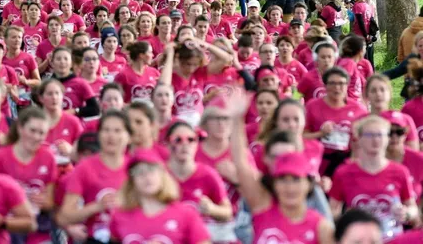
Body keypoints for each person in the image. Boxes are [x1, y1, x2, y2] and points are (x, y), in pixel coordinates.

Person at [227, 90, 335, 243]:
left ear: (307, 184)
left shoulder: (321, 227)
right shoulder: (261, 206)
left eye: (296, 179)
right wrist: (236, 119)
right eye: (283, 179)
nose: (290, 187)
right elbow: (241, 163)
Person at [329, 115, 418, 239]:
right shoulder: (343, 172)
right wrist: (347, 219)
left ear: (387, 139)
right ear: (359, 138)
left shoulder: (400, 171)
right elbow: (332, 211)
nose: (376, 140)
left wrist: (406, 213)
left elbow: (413, 207)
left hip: (393, 238)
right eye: (370, 135)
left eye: (380, 135)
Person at [58, 110, 131, 243]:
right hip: (95, 238)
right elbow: (65, 216)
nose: (111, 136)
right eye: (106, 130)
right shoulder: (85, 168)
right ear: (99, 134)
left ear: (129, 136)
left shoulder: (134, 168)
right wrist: (97, 207)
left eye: (117, 131)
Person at [109, 148, 211, 244]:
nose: (147, 176)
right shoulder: (119, 215)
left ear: (163, 175)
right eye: (139, 171)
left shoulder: (186, 214)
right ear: (131, 180)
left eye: (152, 169)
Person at [0, 106, 58, 244]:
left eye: (41, 133)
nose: (36, 137)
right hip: (7, 225)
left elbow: (50, 201)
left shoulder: (48, 157)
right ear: (20, 128)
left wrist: (44, 202)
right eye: (32, 130)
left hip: (38, 225)